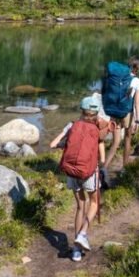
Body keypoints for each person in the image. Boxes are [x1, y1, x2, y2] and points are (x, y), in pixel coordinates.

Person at [49, 96, 106, 262]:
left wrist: (65, 144)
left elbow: (53, 144)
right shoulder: (97, 129)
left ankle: (75, 251)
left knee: (80, 207)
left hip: (71, 172)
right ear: (96, 113)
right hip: (89, 172)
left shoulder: (72, 125)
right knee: (94, 203)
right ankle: (82, 234)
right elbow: (102, 158)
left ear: (81, 111)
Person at [102, 56, 139, 172]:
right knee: (127, 139)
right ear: (137, 69)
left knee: (115, 142)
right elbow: (136, 103)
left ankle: (104, 168)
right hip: (127, 113)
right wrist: (137, 120)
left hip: (114, 111)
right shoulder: (137, 81)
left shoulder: (117, 78)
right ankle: (124, 168)